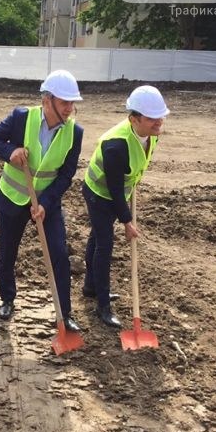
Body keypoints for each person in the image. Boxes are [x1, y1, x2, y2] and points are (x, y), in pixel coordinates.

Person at [0, 70, 84, 333]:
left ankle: (64, 313)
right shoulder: (21, 118)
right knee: (7, 251)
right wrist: (10, 151)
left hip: (46, 204)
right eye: (65, 103)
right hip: (12, 198)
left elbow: (66, 175)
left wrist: (46, 203)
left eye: (73, 103)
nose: (70, 109)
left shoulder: (75, 133)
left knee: (59, 254)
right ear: (47, 100)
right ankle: (7, 299)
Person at [82, 85, 169, 328]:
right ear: (134, 119)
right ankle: (102, 304)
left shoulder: (150, 134)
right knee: (105, 245)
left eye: (161, 116)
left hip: (117, 192)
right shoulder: (115, 145)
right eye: (152, 118)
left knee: (97, 239)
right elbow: (114, 189)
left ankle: (90, 286)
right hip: (99, 195)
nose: (158, 122)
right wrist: (127, 221)